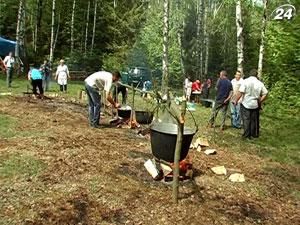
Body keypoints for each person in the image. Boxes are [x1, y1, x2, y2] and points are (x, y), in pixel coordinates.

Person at [233, 69, 268, 139]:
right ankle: (252, 134)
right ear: (256, 75)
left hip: (246, 103)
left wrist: (235, 100)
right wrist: (260, 101)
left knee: (246, 119)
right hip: (255, 104)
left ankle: (246, 135)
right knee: (253, 120)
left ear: (250, 74)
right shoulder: (259, 83)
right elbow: (266, 93)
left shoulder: (245, 81)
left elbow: (240, 92)